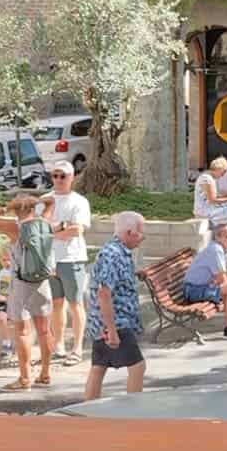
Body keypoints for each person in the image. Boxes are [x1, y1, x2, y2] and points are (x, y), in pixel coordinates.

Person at [0, 196, 55, 388]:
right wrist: (41, 200)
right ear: (33, 207)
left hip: (22, 283)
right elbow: (51, 203)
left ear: (16, 209)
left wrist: (6, 206)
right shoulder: (45, 222)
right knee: (45, 330)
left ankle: (24, 378)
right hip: (43, 281)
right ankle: (45, 374)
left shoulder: (16, 229)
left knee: (23, 331)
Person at [84, 211, 147, 402]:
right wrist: (112, 330)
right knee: (137, 366)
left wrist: (133, 274)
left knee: (99, 366)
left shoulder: (117, 252)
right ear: (129, 233)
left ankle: (88, 409)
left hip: (104, 321)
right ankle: (132, 411)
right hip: (115, 321)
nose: (142, 238)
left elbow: (110, 280)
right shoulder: (113, 255)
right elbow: (104, 292)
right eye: (140, 233)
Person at [44, 160, 91, 363]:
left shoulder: (79, 201)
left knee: (75, 303)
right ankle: (59, 345)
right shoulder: (45, 200)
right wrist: (61, 229)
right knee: (56, 304)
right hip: (50, 259)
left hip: (72, 258)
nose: (58, 180)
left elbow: (77, 230)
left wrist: (53, 231)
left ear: (72, 178)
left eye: (63, 176)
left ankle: (78, 347)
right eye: (55, 175)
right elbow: (39, 228)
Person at [182, 223, 227, 337]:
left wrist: (218, 280)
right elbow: (222, 279)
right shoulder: (215, 250)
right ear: (217, 238)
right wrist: (220, 281)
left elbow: (222, 275)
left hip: (203, 286)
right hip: (193, 291)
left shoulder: (222, 249)